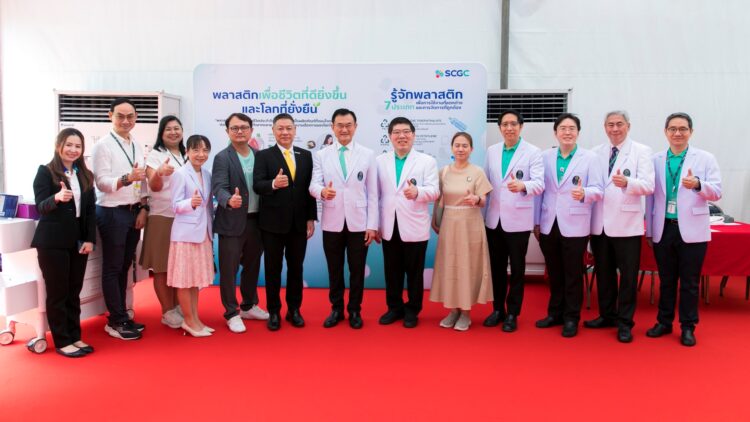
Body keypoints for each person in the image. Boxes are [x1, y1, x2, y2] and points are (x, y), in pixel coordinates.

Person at [645, 112, 722, 347]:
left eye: (683, 129)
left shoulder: (705, 158)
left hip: (693, 229)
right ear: (665, 132)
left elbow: (717, 192)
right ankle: (664, 322)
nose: (677, 133)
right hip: (664, 228)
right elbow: (650, 197)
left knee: (689, 282)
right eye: (673, 129)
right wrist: (650, 230)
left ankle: (688, 326)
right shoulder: (656, 160)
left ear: (691, 132)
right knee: (666, 280)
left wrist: (698, 185)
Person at [586, 111, 655, 343]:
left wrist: (628, 183)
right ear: (604, 127)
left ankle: (625, 322)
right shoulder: (596, 152)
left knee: (627, 277)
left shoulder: (641, 151)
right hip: (600, 224)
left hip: (627, 225)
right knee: (604, 273)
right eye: (610, 125)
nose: (615, 129)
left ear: (628, 126)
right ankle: (607, 315)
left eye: (619, 124)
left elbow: (648, 186)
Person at [534, 113, 604, 337]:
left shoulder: (590, 158)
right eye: (563, 128)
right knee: (554, 272)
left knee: (573, 273)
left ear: (578, 132)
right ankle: (555, 313)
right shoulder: (545, 156)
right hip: (548, 222)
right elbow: (539, 192)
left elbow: (599, 190)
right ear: (555, 132)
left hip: (575, 222)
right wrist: (536, 221)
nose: (567, 132)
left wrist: (585, 193)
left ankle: (572, 317)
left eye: (572, 128)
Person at [310, 109, 378, 329]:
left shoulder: (367, 154)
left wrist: (372, 225)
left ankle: (355, 310)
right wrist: (322, 192)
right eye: (340, 125)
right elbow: (313, 185)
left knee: (357, 269)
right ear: (332, 127)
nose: (344, 129)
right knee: (334, 269)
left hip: (359, 223)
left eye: (348, 125)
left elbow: (373, 193)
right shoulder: (322, 155)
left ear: (355, 127)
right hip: (332, 221)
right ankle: (336, 309)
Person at [31, 128, 96, 357]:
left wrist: (90, 239)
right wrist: (56, 198)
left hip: (77, 241)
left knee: (73, 291)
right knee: (58, 293)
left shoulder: (85, 174)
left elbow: (90, 211)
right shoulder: (45, 172)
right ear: (59, 146)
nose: (73, 150)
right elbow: (41, 207)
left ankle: (75, 336)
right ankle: (62, 340)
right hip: (52, 241)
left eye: (78, 146)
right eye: (69, 144)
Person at [91, 97, 148, 340]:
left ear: (136, 118)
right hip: (112, 211)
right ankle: (115, 320)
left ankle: (122, 314)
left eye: (130, 116)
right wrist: (127, 178)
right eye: (120, 116)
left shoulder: (136, 144)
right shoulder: (102, 146)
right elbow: (101, 183)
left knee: (125, 266)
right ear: (110, 116)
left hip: (133, 211)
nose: (126, 121)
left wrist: (144, 207)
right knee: (113, 267)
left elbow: (142, 179)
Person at [253, 113, 317, 331]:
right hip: (272, 224)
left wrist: (310, 218)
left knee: (296, 268)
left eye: (289, 128)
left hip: (299, 224)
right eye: (280, 128)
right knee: (273, 269)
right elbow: (257, 185)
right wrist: (273, 183)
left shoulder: (305, 155)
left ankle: (294, 310)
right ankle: (273, 311)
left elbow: (309, 190)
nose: (285, 132)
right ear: (273, 131)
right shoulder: (264, 156)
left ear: (295, 130)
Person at [483, 110, 544, 332]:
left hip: (518, 220)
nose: (509, 128)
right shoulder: (492, 151)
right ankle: (497, 309)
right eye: (505, 124)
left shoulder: (533, 152)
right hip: (494, 220)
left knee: (517, 269)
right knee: (496, 268)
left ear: (521, 126)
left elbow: (539, 184)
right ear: (499, 128)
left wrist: (523, 185)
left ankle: (512, 313)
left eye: (513, 124)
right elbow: (486, 183)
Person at [376, 117, 439, 328]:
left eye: (406, 132)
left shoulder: (426, 161)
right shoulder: (380, 161)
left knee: (414, 272)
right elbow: (375, 195)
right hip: (389, 225)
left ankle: (413, 309)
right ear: (390, 136)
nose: (401, 136)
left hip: (414, 225)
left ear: (413, 135)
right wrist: (375, 224)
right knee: (392, 271)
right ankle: (394, 308)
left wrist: (418, 192)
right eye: (396, 132)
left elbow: (435, 191)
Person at [212, 113, 269, 334]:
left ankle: (248, 305)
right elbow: (218, 186)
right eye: (234, 128)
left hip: (257, 221)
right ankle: (231, 312)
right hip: (232, 221)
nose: (239, 131)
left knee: (252, 265)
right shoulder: (222, 157)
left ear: (251, 130)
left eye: (244, 127)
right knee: (229, 269)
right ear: (227, 131)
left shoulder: (259, 155)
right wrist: (228, 200)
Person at [429, 132, 493, 331]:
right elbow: (437, 199)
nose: (460, 149)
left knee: (468, 267)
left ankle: (466, 313)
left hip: (470, 224)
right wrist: (435, 220)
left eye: (465, 145)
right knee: (450, 266)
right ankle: (453, 310)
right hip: (449, 224)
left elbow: (484, 200)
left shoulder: (477, 172)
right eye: (457, 145)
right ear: (452, 148)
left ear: (471, 149)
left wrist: (476, 199)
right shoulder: (444, 172)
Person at [139, 116, 186, 329]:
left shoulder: (186, 154)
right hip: (162, 216)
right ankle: (167, 311)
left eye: (177, 128)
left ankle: (176, 306)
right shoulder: (155, 155)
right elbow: (154, 186)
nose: (173, 132)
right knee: (161, 266)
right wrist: (159, 172)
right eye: (168, 129)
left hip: (183, 217)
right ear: (161, 133)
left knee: (176, 265)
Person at [168, 135, 215, 337]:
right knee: (185, 280)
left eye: (205, 150)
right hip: (185, 235)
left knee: (195, 281)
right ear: (187, 151)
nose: (201, 154)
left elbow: (208, 205)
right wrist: (191, 203)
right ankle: (188, 321)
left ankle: (195, 319)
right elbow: (175, 205)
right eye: (196, 150)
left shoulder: (207, 174)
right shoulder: (180, 174)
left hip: (203, 233)